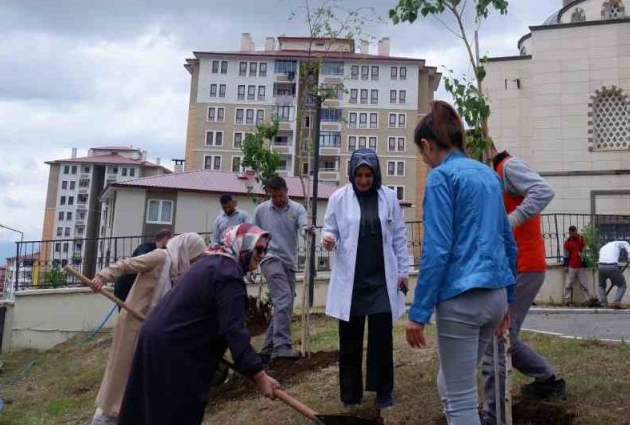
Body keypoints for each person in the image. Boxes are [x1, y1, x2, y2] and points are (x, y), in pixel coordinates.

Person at [405, 102, 517, 425]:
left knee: (461, 401)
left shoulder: (441, 178)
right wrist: (507, 298)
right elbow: (507, 240)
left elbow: (437, 251)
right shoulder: (489, 175)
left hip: (461, 301)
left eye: (422, 153)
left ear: (427, 145)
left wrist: (418, 312)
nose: (425, 161)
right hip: (494, 298)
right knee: (454, 380)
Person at [117, 224, 280, 425]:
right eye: (259, 249)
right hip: (174, 353)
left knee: (146, 415)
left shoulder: (211, 263)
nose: (262, 255)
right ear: (243, 245)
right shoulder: (228, 275)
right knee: (174, 415)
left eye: (265, 250)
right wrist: (259, 375)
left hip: (155, 341)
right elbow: (234, 331)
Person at [321, 149, 411, 411]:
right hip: (353, 280)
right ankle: (350, 395)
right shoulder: (339, 198)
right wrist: (329, 240)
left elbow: (398, 238)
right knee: (349, 340)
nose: (363, 180)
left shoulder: (389, 197)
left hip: (382, 279)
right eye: (358, 175)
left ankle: (383, 391)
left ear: (376, 174)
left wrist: (403, 271)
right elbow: (330, 229)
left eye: (368, 175)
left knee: (381, 338)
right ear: (351, 174)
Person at [87, 233, 206, 425]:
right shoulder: (160, 257)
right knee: (123, 371)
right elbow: (127, 264)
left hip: (153, 329)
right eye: (195, 256)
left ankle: (133, 413)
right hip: (133, 324)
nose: (195, 261)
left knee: (144, 373)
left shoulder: (179, 271)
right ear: (187, 249)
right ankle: (109, 416)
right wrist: (103, 276)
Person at [482, 150, 566, 422]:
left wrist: (513, 220)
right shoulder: (494, 176)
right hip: (515, 266)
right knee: (505, 336)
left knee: (498, 336)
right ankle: (547, 378)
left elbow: (544, 191)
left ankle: (495, 412)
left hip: (525, 265)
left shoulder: (507, 167)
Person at [252, 175, 313, 359]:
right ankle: (282, 346)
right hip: (269, 259)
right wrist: (256, 255)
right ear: (269, 194)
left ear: (287, 191)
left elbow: (303, 226)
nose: (278, 199)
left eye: (280, 195)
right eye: (274, 196)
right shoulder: (261, 210)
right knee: (284, 298)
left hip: (289, 262)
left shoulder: (297, 209)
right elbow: (254, 235)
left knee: (283, 305)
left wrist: (308, 230)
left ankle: (266, 350)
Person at [114, 230, 172, 302]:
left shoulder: (156, 251)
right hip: (126, 288)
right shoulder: (146, 247)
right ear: (165, 239)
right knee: (127, 312)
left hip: (134, 289)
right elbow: (141, 260)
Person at [596, 238, 630, 308]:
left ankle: (603, 303)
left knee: (601, 285)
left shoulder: (603, 247)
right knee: (622, 285)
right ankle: (616, 301)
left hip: (601, 266)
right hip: (612, 266)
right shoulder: (617, 243)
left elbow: (607, 259)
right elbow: (626, 243)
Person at [561, 226, 589, 307]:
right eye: (571, 233)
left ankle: (587, 300)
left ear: (576, 231)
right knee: (568, 285)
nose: (572, 234)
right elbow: (566, 255)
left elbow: (587, 249)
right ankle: (567, 301)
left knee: (584, 284)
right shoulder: (567, 242)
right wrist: (565, 266)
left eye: (574, 232)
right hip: (572, 266)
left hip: (581, 266)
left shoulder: (582, 239)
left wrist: (584, 254)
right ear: (569, 233)